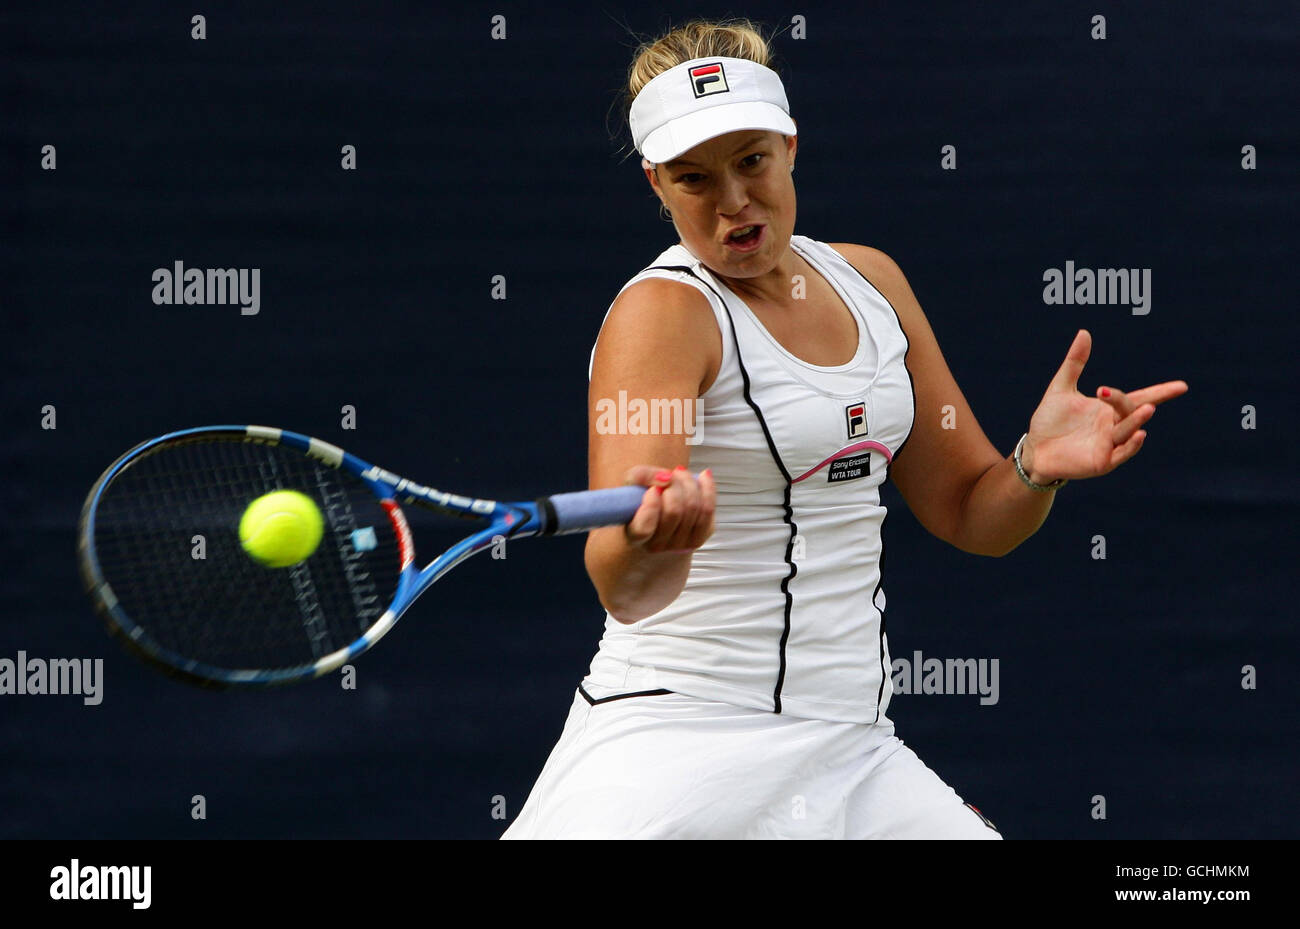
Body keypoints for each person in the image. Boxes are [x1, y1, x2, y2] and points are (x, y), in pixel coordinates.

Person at [502, 18, 1187, 839]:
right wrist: (657, 540)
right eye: (693, 179)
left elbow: (972, 512)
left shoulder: (872, 281)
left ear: (791, 144)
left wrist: (1035, 464)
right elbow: (622, 584)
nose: (733, 203)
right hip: (675, 738)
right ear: (655, 183)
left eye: (752, 161)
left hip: (852, 747)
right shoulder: (660, 316)